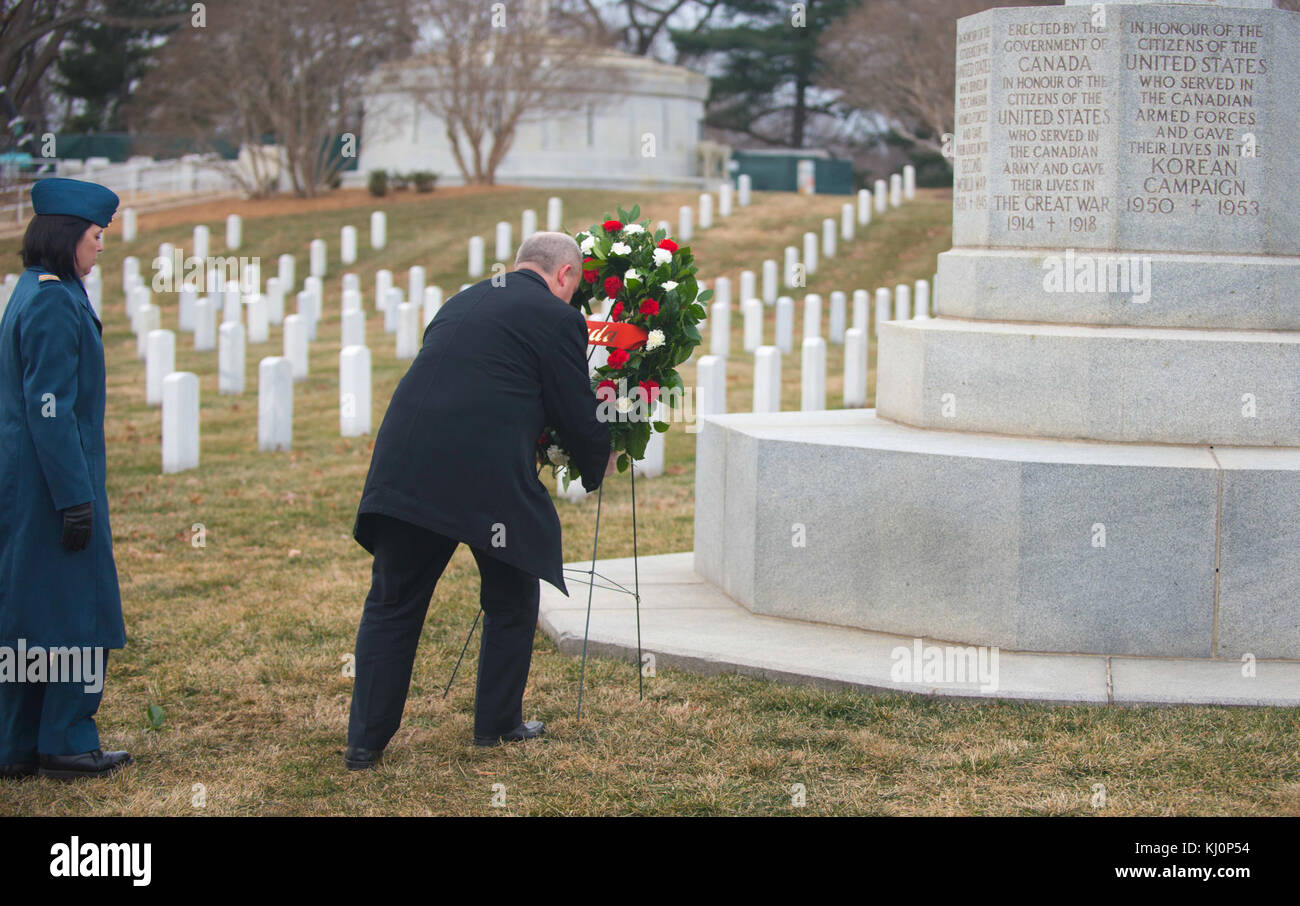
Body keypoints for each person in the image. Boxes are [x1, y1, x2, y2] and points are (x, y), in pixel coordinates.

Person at [345, 231, 613, 769]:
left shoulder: (462, 299)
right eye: (575, 285)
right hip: (483, 474)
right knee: (513, 592)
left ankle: (363, 745)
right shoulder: (558, 316)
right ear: (564, 275)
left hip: (406, 464)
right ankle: (496, 723)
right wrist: (595, 464)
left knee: (393, 603)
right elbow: (572, 406)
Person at [0, 177, 131, 780]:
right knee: (78, 611)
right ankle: (67, 738)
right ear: (67, 236)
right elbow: (48, 406)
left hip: (27, 482)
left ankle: (20, 741)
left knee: (31, 610)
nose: (101, 246)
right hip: (56, 481)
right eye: (96, 235)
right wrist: (76, 498)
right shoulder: (55, 300)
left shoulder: (32, 290)